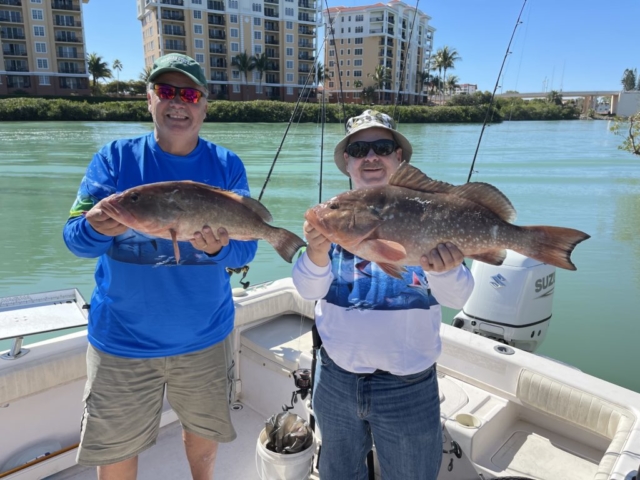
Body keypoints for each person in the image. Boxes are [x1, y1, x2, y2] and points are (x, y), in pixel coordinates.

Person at [63, 53, 257, 480]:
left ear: (204, 105)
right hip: (121, 341)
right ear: (149, 99)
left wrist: (216, 250)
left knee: (203, 435)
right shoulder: (113, 160)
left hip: (205, 336)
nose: (177, 103)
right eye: (166, 91)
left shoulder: (227, 166)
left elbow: (245, 252)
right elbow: (74, 238)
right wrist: (96, 226)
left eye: (189, 94)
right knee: (115, 449)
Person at [292, 110, 475, 480]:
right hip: (336, 378)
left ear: (399, 158)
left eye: (382, 147)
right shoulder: (333, 213)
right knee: (339, 473)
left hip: (409, 385)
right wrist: (315, 252)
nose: (370, 156)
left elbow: (458, 299)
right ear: (347, 162)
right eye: (359, 149)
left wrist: (448, 267)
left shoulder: (431, 210)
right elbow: (308, 290)